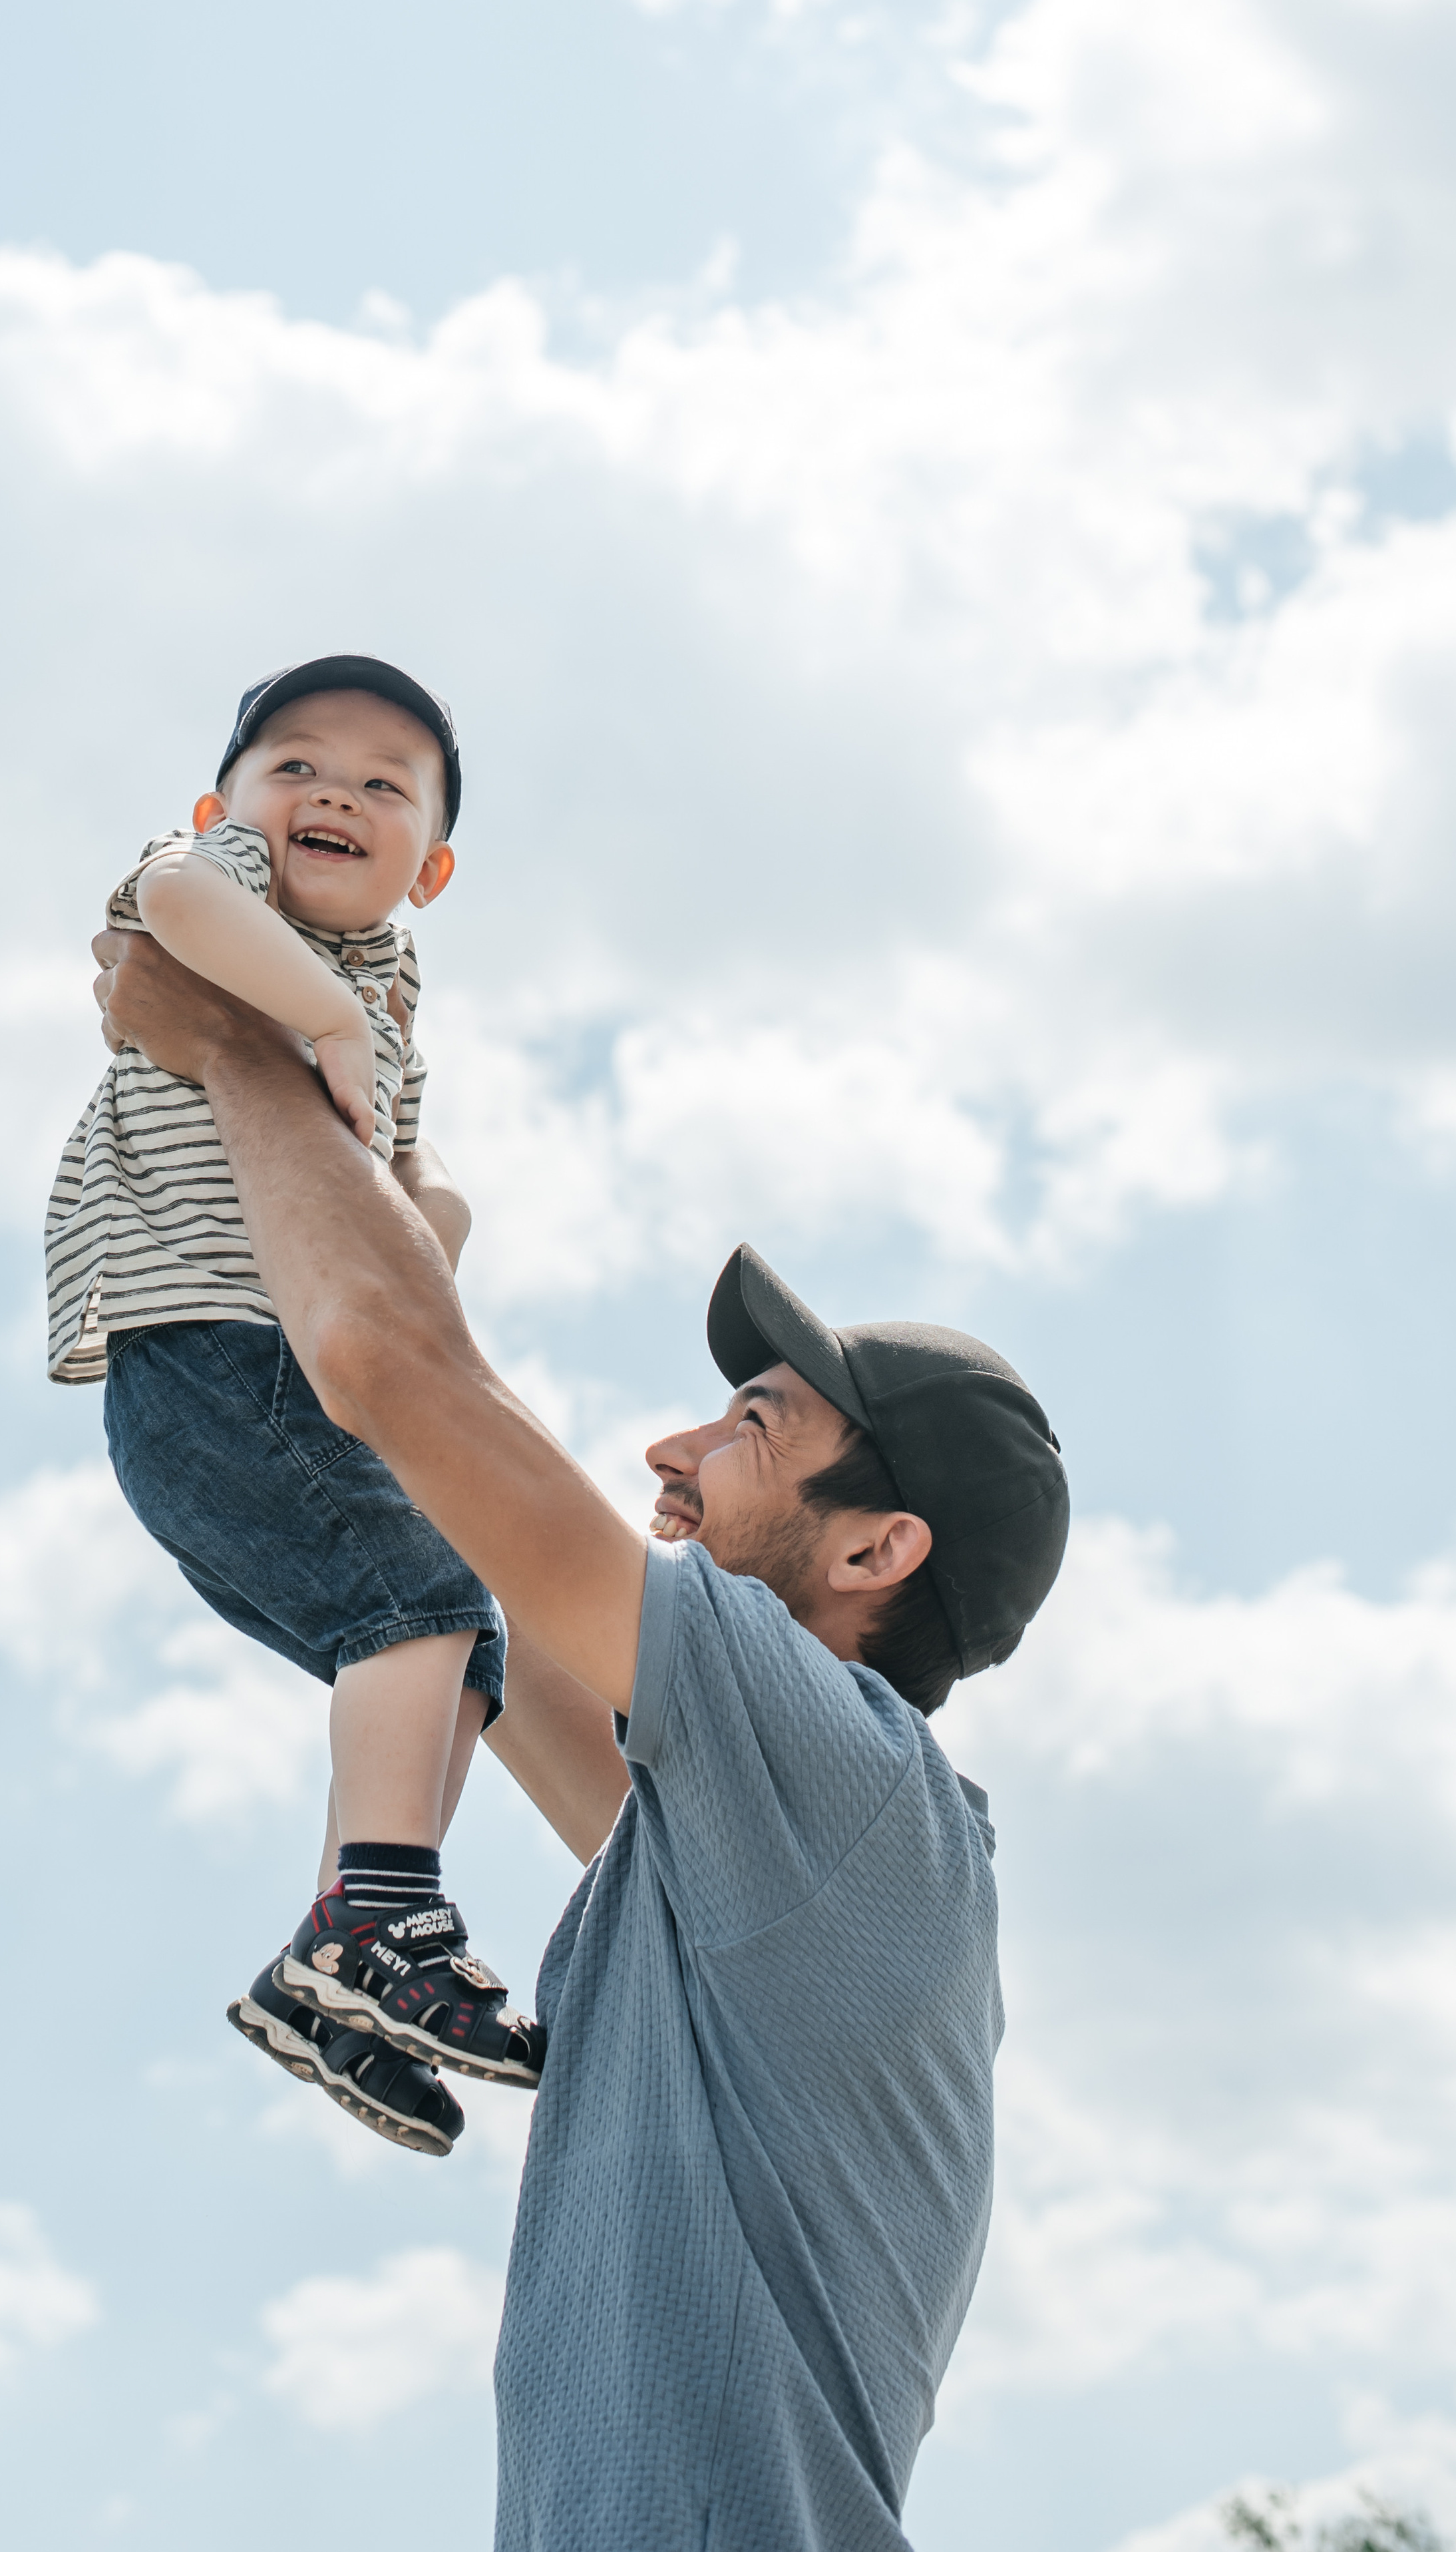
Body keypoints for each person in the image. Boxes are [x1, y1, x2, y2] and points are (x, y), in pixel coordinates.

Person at [90, 925, 1071, 2552]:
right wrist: (374, 1165)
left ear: (871, 1552)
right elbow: (442, 1510)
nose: (672, 1448)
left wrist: (233, 1052)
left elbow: (391, 1373)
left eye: (751, 1426)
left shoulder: (847, 1788)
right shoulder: (751, 1854)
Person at [45, 655, 543, 2163]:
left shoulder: (388, 983)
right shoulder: (222, 891)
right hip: (202, 1349)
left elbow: (415, 1153)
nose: (333, 791)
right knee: (414, 1603)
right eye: (297, 765)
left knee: (460, 1644)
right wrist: (318, 1019)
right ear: (227, 803)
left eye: (384, 787)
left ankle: (337, 1969)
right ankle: (384, 1914)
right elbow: (182, 911)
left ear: (430, 869)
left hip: (284, 1381)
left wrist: (429, 1202)